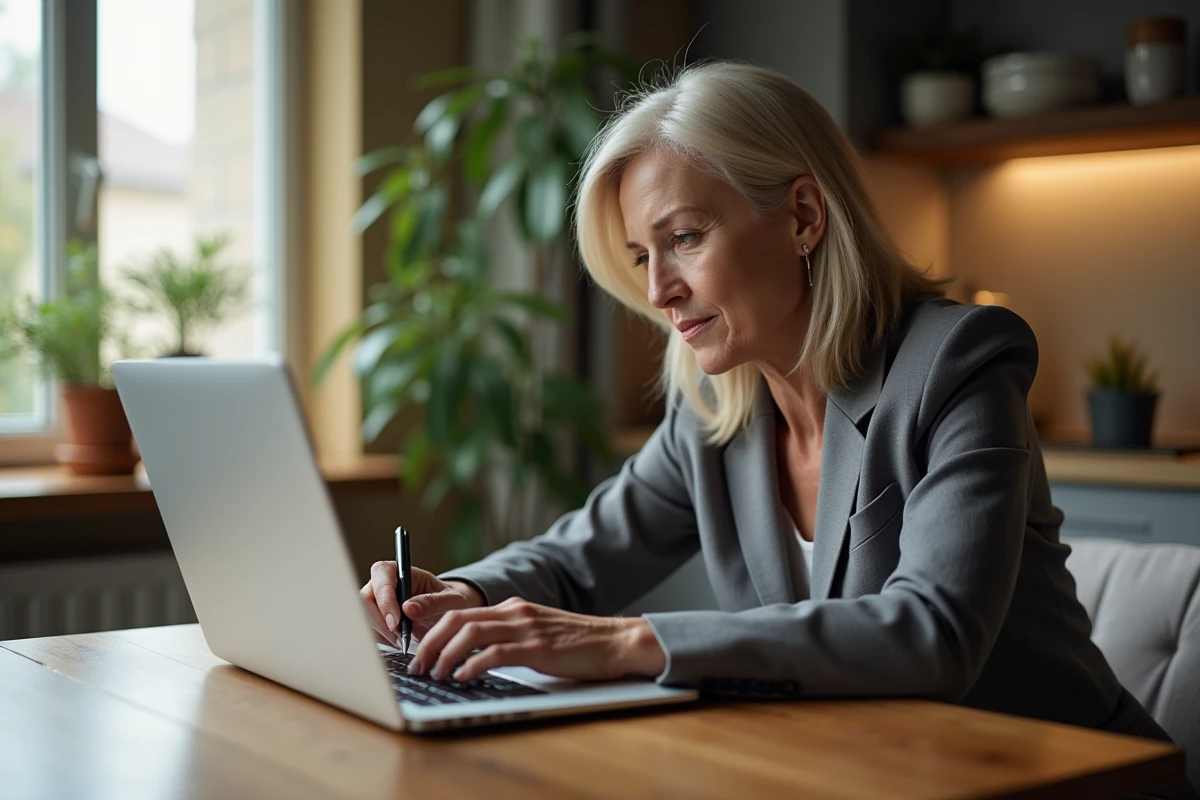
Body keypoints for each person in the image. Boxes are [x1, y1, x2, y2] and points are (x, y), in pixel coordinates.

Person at [360, 61, 1194, 797]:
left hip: (1065, 783)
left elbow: (934, 632)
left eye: (684, 238)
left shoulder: (958, 363)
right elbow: (576, 562)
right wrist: (458, 595)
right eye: (643, 255)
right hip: (870, 775)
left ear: (802, 216)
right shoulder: (716, 409)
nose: (657, 291)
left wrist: (625, 643)